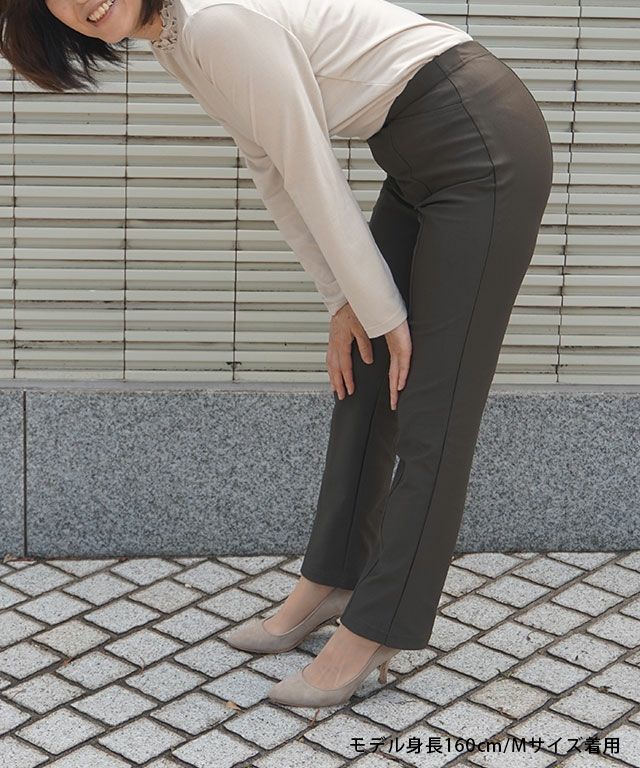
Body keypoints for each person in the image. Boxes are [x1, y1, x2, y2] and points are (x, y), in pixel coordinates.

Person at [1, 0, 553, 708]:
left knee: (434, 404)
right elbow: (270, 166)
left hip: (481, 147)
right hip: (419, 157)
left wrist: (382, 312)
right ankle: (332, 581)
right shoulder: (174, 38)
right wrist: (343, 301)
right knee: (365, 374)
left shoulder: (215, 22)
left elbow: (309, 169)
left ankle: (378, 626)